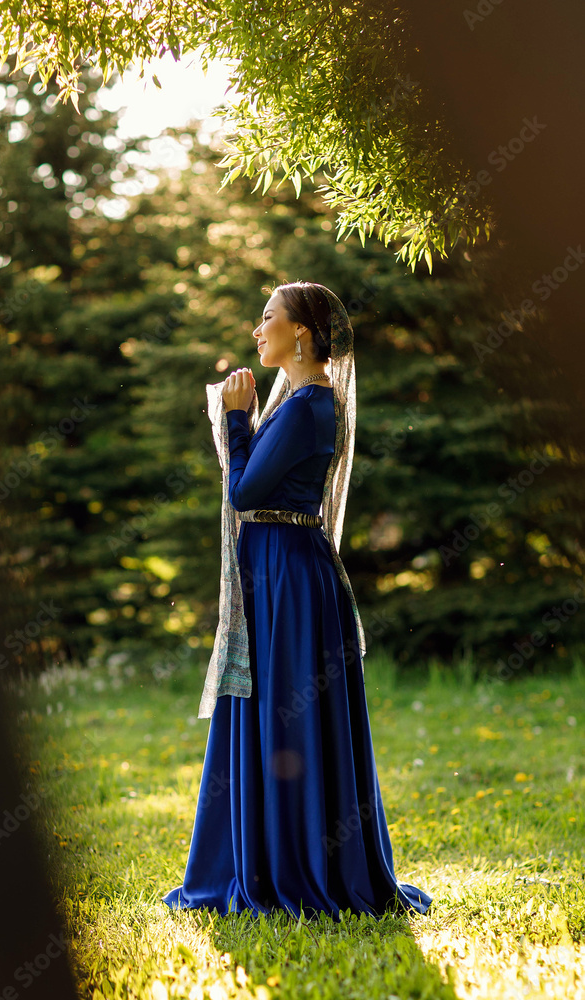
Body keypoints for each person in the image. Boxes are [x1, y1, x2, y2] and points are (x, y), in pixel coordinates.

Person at [162, 281, 432, 920]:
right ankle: (255, 855)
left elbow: (244, 490)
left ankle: (295, 868)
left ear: (302, 334)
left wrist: (234, 419)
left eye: (268, 318)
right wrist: (246, 422)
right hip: (277, 573)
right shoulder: (297, 402)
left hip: (290, 580)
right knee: (262, 711)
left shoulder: (311, 406)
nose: (258, 331)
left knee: (286, 715)